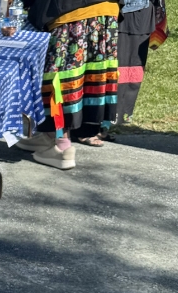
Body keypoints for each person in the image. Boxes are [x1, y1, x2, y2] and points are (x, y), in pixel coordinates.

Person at [18, 0, 120, 168]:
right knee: (88, 73)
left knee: (60, 78)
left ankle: (61, 145)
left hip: (68, 10)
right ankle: (49, 135)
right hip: (105, 9)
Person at [72, 0, 160, 145]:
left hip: (141, 11)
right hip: (114, 12)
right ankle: (85, 127)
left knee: (130, 72)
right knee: (103, 70)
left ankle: (104, 124)